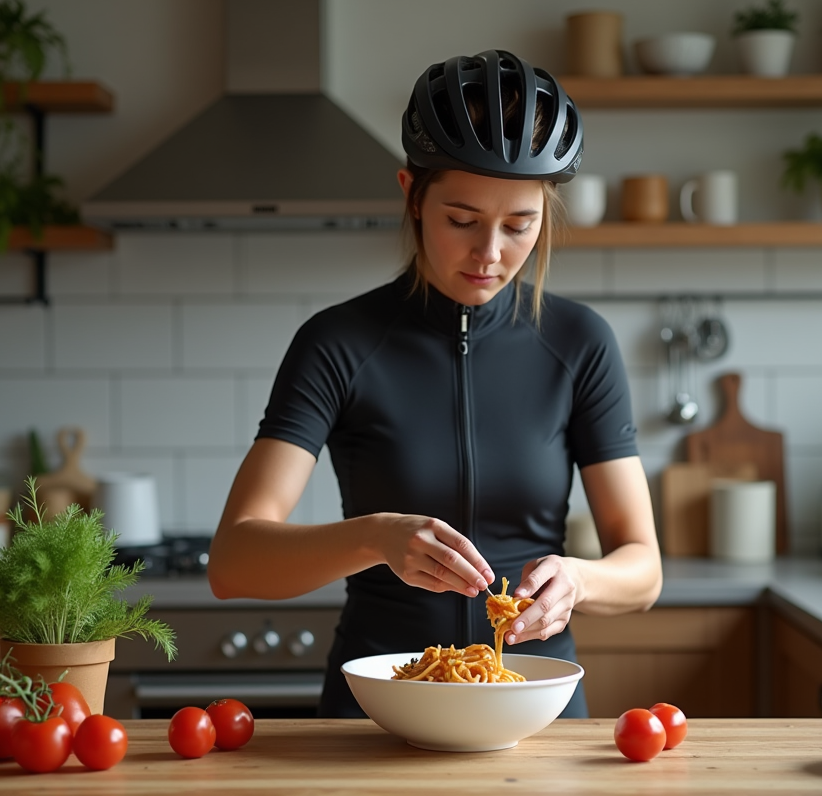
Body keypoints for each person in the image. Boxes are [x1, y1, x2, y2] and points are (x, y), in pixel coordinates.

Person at [208, 49, 662, 718]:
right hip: (376, 715)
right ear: (410, 194)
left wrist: (578, 580)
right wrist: (375, 538)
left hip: (534, 710)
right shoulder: (338, 342)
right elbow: (235, 560)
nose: (490, 254)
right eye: (462, 220)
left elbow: (643, 569)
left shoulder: (579, 343)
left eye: (519, 225)